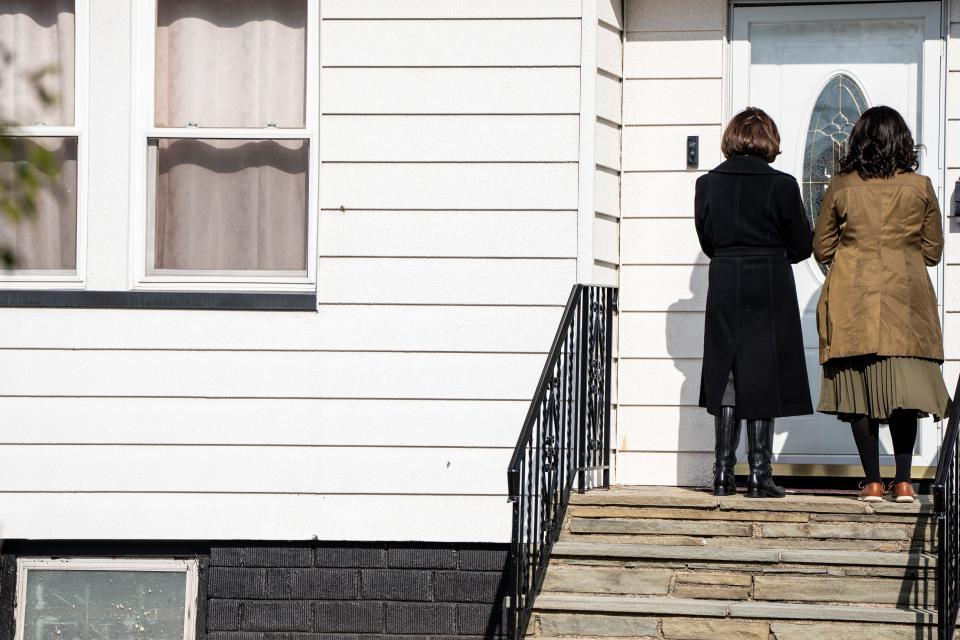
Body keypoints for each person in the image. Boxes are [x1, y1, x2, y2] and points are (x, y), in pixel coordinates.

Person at [814, 106, 951, 503]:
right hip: (905, 298)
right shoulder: (920, 186)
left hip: (851, 296)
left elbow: (821, 246)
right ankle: (905, 481)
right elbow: (933, 251)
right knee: (904, 390)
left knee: (857, 389)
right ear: (902, 142)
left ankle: (873, 482)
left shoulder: (841, 186)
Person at [695, 107, 814, 498]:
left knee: (727, 372)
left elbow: (707, 240)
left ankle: (722, 474)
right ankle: (760, 474)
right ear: (769, 140)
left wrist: (733, 255)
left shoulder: (708, 184)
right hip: (769, 279)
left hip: (726, 277)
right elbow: (801, 244)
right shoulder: (782, 185)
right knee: (764, 371)